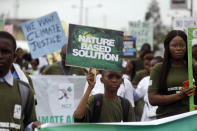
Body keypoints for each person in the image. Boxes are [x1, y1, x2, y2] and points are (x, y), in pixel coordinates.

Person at [148, 30, 197, 119]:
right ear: (168, 47)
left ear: (187, 47)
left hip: (190, 119)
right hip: (167, 120)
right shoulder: (158, 68)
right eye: (174, 45)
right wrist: (180, 95)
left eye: (182, 45)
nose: (178, 48)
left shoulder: (193, 67)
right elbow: (152, 99)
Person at [0, 31, 41, 130]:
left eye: (5, 52)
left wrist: (34, 126)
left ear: (14, 57)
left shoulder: (24, 90)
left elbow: (28, 123)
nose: (0, 56)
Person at [135, 56, 163, 121]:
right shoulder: (145, 80)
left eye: (154, 66)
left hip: (163, 117)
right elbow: (136, 96)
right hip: (148, 119)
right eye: (151, 66)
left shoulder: (169, 80)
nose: (151, 68)